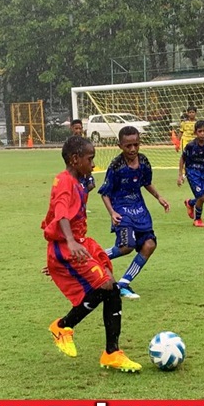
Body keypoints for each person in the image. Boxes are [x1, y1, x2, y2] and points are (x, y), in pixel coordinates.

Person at [43, 135, 141, 372]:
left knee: (112, 288)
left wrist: (86, 186)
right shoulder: (64, 182)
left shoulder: (79, 180)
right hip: (69, 244)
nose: (94, 165)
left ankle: (112, 353)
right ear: (75, 159)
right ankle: (63, 326)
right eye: (90, 159)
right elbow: (60, 213)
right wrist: (67, 244)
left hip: (80, 242)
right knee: (105, 285)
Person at [98, 126, 170, 300]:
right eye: (128, 146)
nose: (132, 149)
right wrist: (112, 213)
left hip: (139, 209)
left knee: (149, 245)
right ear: (120, 145)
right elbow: (105, 193)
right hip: (121, 210)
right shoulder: (116, 166)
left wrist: (159, 197)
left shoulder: (144, 162)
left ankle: (123, 283)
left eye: (136, 145)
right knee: (126, 246)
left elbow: (147, 182)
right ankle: (95, 258)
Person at [70, 119, 96, 192]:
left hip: (85, 172)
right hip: (75, 173)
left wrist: (89, 176)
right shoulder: (70, 143)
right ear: (71, 128)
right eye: (76, 128)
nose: (78, 131)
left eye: (80, 128)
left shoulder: (85, 143)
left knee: (89, 187)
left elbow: (89, 159)